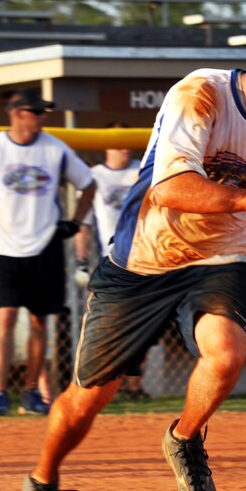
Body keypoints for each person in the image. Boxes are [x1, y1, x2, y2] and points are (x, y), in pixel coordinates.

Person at [9, 17, 246, 491]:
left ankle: (185, 438)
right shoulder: (201, 94)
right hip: (144, 258)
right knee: (88, 399)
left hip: (223, 253)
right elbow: (172, 188)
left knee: (227, 351)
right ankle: (42, 482)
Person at [0, 89, 95, 417]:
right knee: (7, 317)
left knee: (40, 320)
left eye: (44, 113)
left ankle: (30, 392)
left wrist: (73, 222)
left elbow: (89, 183)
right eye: (36, 112)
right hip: (6, 248)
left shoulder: (55, 149)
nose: (42, 118)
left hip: (46, 245)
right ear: (17, 113)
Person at [73, 122, 151, 401]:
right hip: (111, 260)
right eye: (118, 141)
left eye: (127, 140)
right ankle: (106, 384)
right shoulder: (94, 176)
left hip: (146, 256)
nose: (125, 146)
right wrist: (81, 261)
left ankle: (135, 387)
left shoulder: (141, 171)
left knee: (143, 325)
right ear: (106, 145)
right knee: (110, 325)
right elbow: (84, 224)